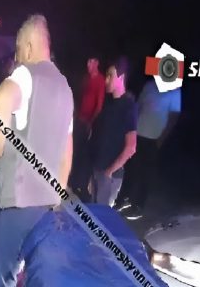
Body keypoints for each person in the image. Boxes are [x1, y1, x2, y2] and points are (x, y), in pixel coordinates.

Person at [0, 15, 75, 287]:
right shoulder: (65, 87)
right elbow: (66, 151)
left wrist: (1, 153)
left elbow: (0, 101)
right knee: (34, 276)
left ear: (29, 45)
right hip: (47, 207)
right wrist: (57, 195)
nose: (17, 56)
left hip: (16, 204)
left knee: (0, 278)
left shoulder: (26, 74)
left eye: (18, 49)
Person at [118, 77, 181, 219]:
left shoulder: (175, 91)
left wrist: (161, 139)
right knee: (130, 169)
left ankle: (138, 206)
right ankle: (122, 199)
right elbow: (139, 106)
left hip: (153, 138)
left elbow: (173, 118)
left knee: (145, 173)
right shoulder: (149, 85)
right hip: (138, 134)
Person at [90, 57, 138, 208]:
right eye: (106, 75)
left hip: (109, 175)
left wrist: (110, 172)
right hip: (97, 169)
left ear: (121, 77)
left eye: (110, 75)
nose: (106, 80)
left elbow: (131, 147)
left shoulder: (128, 106)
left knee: (102, 217)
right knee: (93, 213)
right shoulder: (107, 102)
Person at [70, 56, 106, 201]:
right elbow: (80, 97)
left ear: (97, 63)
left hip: (88, 122)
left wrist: (91, 123)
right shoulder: (86, 78)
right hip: (79, 119)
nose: (89, 64)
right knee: (75, 149)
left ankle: (81, 185)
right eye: (88, 61)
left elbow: (99, 105)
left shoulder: (100, 80)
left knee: (83, 153)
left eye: (92, 62)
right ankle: (72, 180)